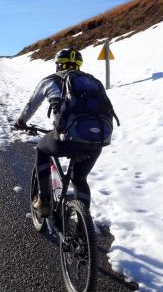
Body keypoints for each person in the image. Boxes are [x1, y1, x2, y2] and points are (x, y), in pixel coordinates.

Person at [13, 47, 102, 217]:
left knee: (41, 149)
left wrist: (20, 123)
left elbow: (30, 106)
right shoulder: (94, 82)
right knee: (79, 179)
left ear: (58, 65)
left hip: (66, 140)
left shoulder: (50, 81)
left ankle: (44, 201)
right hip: (97, 140)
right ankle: (84, 229)